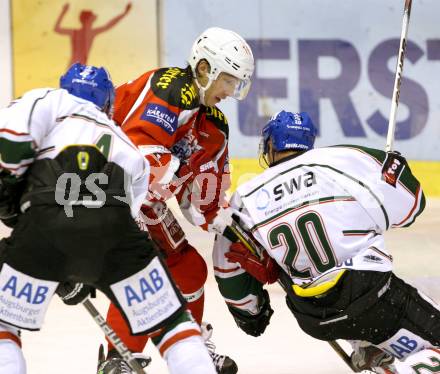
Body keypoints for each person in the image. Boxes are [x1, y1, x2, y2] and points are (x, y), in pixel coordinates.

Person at [0, 63, 216, 374]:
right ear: (108, 102)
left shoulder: (47, 100)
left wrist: (11, 199)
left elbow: (10, 145)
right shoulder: (124, 141)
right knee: (175, 326)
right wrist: (80, 267)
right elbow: (124, 216)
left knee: (4, 324)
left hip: (45, 223)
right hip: (116, 231)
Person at [212, 110, 440, 373]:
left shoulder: (245, 197)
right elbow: (413, 206)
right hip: (372, 298)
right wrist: (395, 170)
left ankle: (370, 348)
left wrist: (251, 313)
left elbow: (227, 266)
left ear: (271, 144)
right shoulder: (342, 159)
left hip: (314, 316)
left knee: (337, 295)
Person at [98, 27, 254, 374]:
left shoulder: (212, 125)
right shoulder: (169, 87)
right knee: (143, 267)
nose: (230, 91)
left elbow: (201, 200)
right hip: (105, 186)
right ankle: (117, 356)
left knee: (189, 270)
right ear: (203, 68)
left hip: (140, 198)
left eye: (236, 83)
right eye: (227, 79)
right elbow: (138, 157)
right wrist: (183, 172)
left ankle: (192, 349)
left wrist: (220, 215)